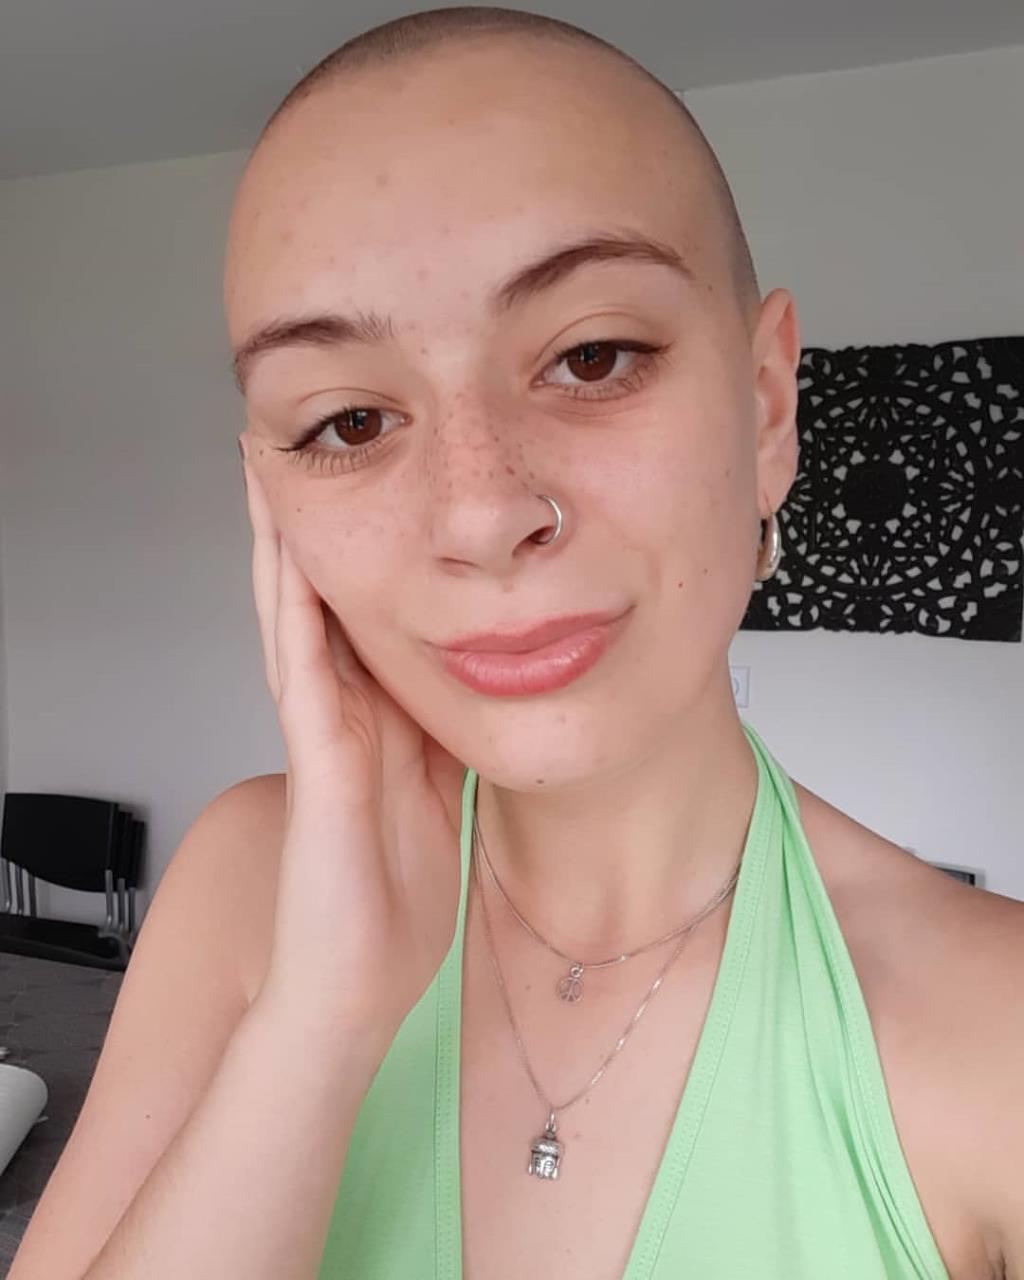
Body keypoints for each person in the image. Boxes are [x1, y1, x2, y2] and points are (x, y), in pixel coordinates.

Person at [9, 7, 1023, 1279]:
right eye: (348, 421)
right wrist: (315, 1025)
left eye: (592, 357)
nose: (480, 513)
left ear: (767, 408)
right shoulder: (245, 881)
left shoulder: (996, 1029)